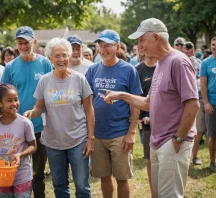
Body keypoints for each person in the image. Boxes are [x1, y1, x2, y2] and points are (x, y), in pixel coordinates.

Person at [105, 18, 199, 197]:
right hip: (158, 142)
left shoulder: (178, 62)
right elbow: (148, 102)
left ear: (156, 37)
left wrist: (178, 139)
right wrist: (121, 95)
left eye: (141, 40)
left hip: (172, 142)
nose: (139, 46)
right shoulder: (161, 64)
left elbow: (193, 105)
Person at [24, 37, 94, 197]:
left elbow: (89, 110)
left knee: (82, 187)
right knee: (59, 186)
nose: (61, 59)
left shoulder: (79, 79)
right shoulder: (44, 80)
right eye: (57, 56)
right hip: (53, 142)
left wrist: (90, 138)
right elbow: (39, 108)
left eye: (64, 55)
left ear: (69, 56)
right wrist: (30, 113)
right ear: (50, 58)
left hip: (78, 140)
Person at [85, 29, 142, 198]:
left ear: (117, 46)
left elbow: (136, 104)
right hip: (98, 133)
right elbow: (87, 102)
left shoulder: (129, 70)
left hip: (120, 133)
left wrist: (131, 132)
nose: (103, 50)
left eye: (108, 45)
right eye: (100, 45)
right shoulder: (93, 70)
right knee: (104, 177)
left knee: (122, 178)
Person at [1, 26, 53, 198]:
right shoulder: (10, 67)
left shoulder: (45, 63)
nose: (23, 46)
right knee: (17, 169)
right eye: (20, 43)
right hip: (16, 128)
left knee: (38, 171)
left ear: (34, 42)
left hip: (39, 126)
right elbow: (2, 94)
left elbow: (51, 91)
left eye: (26, 42)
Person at [0, 84, 36, 198]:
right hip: (3, 175)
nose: (14, 103)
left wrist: (20, 154)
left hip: (22, 176)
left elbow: (33, 146)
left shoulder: (24, 123)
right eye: (9, 100)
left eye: (16, 99)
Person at [135, 55, 157, 198]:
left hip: (166, 121)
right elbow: (136, 96)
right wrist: (140, 117)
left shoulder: (164, 66)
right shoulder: (137, 70)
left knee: (164, 159)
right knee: (150, 160)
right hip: (147, 123)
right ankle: (154, 193)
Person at [183, 41, 204, 166]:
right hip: (184, 100)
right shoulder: (180, 63)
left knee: (198, 129)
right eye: (186, 51)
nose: (188, 53)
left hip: (197, 97)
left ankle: (194, 156)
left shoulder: (199, 63)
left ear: (193, 51)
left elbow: (200, 81)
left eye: (190, 51)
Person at [200, 37, 216, 171]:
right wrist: (206, 102)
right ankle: (212, 162)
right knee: (212, 136)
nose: (215, 47)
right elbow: (203, 84)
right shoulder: (206, 63)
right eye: (213, 45)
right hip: (212, 104)